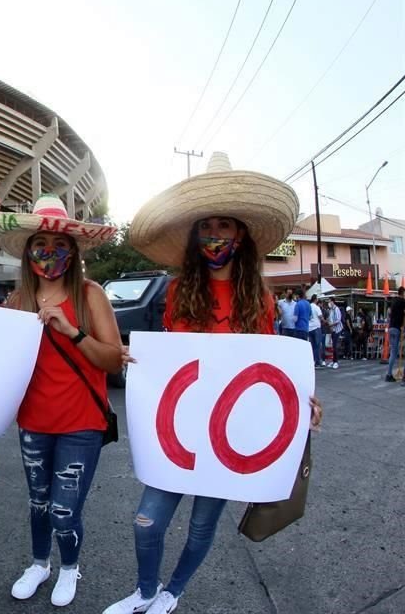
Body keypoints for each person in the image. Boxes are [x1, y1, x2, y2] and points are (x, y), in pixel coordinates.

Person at [105, 153, 323, 614]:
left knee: (203, 529)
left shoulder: (260, 299)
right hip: (179, 430)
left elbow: (269, 367)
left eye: (225, 225)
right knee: (147, 522)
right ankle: (145, 591)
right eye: (207, 225)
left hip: (227, 433)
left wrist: (304, 404)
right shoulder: (179, 291)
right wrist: (137, 360)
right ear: (195, 233)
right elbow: (171, 357)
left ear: (240, 234)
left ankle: (173, 592)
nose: (215, 235)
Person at [0, 195, 124, 607]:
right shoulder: (17, 301)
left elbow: (114, 358)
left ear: (73, 250)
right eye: (40, 245)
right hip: (34, 422)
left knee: (65, 510)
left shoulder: (90, 294)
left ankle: (69, 567)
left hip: (81, 423)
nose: (49, 253)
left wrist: (73, 333)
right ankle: (39, 563)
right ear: (28, 252)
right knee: (39, 502)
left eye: (59, 245)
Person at [385, 286, 405, 382]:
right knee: (394, 352)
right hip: (397, 329)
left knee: (393, 352)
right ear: (403, 293)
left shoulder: (394, 301)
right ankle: (389, 375)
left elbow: (389, 312)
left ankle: (388, 374)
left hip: (391, 328)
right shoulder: (402, 301)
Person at [325, 299, 342, 368]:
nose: (329, 303)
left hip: (337, 330)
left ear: (333, 302)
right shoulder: (331, 310)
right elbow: (330, 318)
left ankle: (336, 362)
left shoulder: (336, 309)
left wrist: (332, 325)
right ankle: (333, 360)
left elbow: (338, 319)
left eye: (329, 301)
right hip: (332, 330)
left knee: (335, 345)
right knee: (333, 345)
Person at [308, 294, 324, 368]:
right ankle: (317, 362)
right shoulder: (316, 307)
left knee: (312, 346)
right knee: (317, 345)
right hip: (316, 327)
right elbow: (320, 317)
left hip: (309, 328)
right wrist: (325, 321)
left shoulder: (308, 306)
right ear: (315, 299)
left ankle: (312, 361)